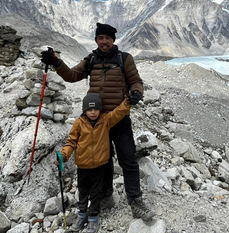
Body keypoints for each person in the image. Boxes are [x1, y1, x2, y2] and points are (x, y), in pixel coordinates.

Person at [42, 23, 154, 222]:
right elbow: (71, 76)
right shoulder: (90, 60)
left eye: (107, 38)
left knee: (128, 160)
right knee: (103, 161)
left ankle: (136, 203)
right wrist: (56, 62)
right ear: (96, 40)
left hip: (119, 119)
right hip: (97, 121)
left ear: (113, 40)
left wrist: (136, 92)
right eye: (100, 38)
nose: (104, 41)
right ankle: (105, 196)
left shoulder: (124, 59)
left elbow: (136, 81)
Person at [55, 94, 133, 232]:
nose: (93, 112)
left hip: (99, 166)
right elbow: (71, 142)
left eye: (96, 109)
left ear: (100, 110)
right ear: (84, 110)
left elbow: (118, 113)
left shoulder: (106, 120)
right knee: (83, 190)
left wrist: (127, 102)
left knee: (96, 192)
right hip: (83, 166)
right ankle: (81, 214)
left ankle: (93, 217)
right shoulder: (79, 123)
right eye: (90, 109)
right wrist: (64, 155)